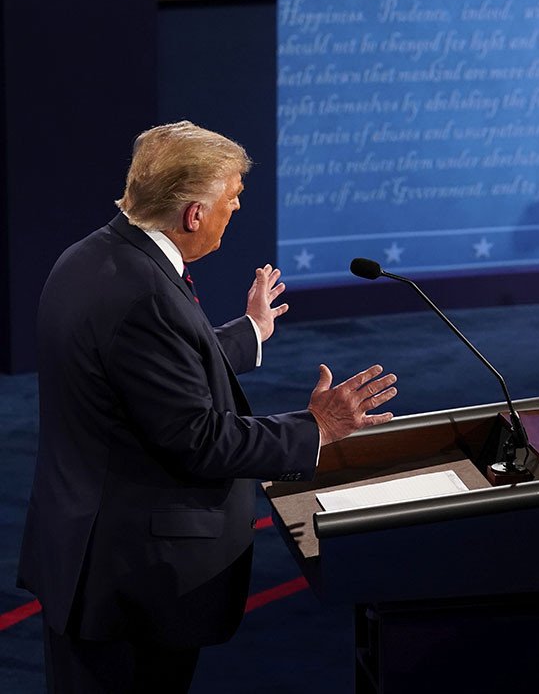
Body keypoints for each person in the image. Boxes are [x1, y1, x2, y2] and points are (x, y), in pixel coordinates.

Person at [17, 121, 399, 692]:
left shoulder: (91, 258)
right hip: (133, 578)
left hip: (88, 552)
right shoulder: (145, 293)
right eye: (232, 199)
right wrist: (317, 427)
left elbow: (147, 372)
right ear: (194, 213)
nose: (236, 209)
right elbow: (198, 438)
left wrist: (250, 332)